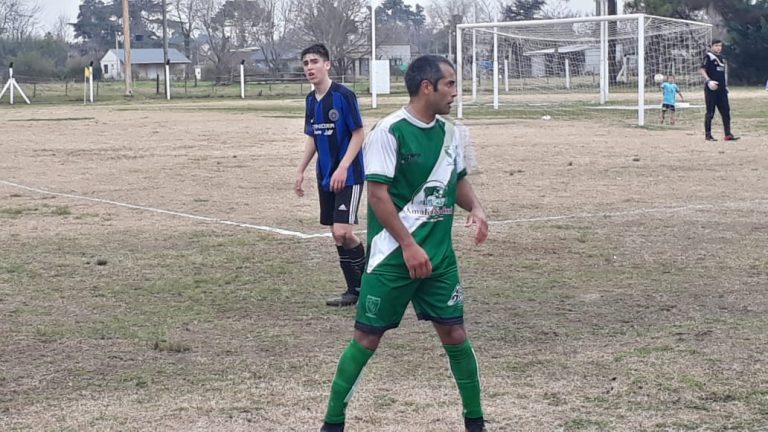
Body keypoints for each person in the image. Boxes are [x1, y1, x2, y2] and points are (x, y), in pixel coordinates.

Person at [319, 55, 490, 432]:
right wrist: (409, 245)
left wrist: (476, 207)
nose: (455, 92)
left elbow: (457, 179)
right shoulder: (389, 131)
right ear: (427, 87)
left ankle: (475, 423)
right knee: (366, 338)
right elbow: (378, 195)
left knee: (455, 334)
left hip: (439, 260)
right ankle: (332, 423)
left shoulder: (452, 133)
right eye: (449, 84)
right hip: (393, 259)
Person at [295, 43, 367, 307]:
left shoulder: (343, 96)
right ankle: (354, 290)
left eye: (314, 61)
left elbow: (358, 133)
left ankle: (372, 282)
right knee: (338, 235)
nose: (310, 67)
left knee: (343, 230)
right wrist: (301, 170)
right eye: (306, 63)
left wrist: (344, 166)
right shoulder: (310, 101)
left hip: (349, 175)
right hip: (325, 175)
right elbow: (313, 137)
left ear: (327, 65)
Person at [699, 39, 739, 141]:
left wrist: (725, 85)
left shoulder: (722, 58)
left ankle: (728, 134)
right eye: (716, 45)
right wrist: (708, 81)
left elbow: (724, 73)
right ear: (712, 46)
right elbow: (702, 69)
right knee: (710, 112)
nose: (718, 48)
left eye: (720, 46)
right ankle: (708, 135)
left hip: (722, 90)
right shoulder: (708, 56)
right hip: (711, 89)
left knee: (726, 111)